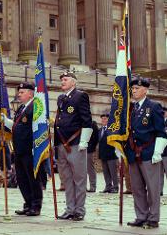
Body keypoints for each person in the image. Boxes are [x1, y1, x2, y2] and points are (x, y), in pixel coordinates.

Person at [125, 78, 167, 229]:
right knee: (137, 188)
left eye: (136, 88)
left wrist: (158, 152)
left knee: (152, 187)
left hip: (149, 153)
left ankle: (153, 218)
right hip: (133, 153)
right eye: (133, 88)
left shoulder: (154, 107)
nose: (133, 91)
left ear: (145, 90)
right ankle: (141, 216)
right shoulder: (131, 108)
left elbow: (161, 132)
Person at [54, 72, 93, 221]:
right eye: (61, 79)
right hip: (62, 144)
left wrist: (84, 141)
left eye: (65, 79)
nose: (62, 82)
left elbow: (86, 120)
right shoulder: (61, 98)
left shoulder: (81, 96)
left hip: (76, 143)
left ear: (74, 82)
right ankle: (70, 208)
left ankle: (79, 210)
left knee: (79, 178)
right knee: (66, 179)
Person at [2, 82, 42, 216]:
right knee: (22, 178)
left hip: (29, 149)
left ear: (30, 93)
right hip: (19, 149)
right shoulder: (21, 108)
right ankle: (28, 203)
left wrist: (35, 146)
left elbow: (37, 128)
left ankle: (36, 206)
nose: (19, 95)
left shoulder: (35, 106)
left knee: (32, 178)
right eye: (19, 92)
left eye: (22, 92)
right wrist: (5, 121)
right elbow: (17, 126)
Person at [98, 113, 118, 194]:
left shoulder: (112, 129)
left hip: (111, 154)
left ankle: (116, 187)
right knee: (105, 172)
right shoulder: (100, 130)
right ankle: (108, 186)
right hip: (103, 154)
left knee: (113, 172)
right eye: (102, 119)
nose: (103, 120)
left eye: (105, 119)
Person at [86, 120, 99, 192]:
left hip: (89, 150)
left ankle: (92, 186)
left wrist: (92, 147)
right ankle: (82, 187)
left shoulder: (93, 123)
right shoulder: (78, 121)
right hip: (79, 149)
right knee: (81, 170)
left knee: (90, 168)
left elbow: (96, 137)